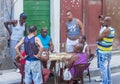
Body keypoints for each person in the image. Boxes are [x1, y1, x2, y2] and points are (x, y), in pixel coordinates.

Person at [96, 16, 115, 84]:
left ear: (109, 22)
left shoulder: (106, 30)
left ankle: (105, 82)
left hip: (103, 52)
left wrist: (100, 37)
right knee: (107, 68)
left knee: (103, 69)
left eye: (105, 21)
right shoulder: (112, 29)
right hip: (108, 51)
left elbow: (97, 38)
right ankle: (109, 82)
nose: (103, 22)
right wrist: (101, 37)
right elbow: (101, 38)